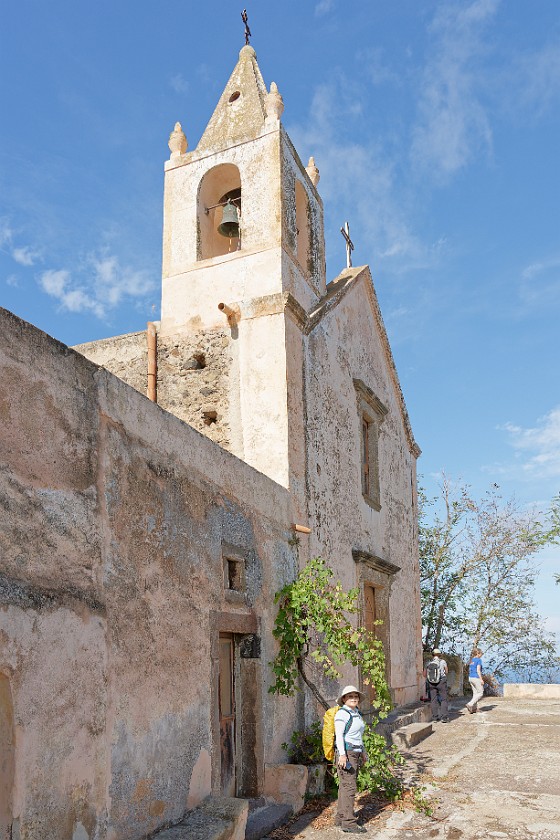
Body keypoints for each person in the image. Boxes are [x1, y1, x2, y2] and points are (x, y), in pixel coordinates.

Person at [334, 685, 368, 834]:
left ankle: (341, 817)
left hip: (355, 752)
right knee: (349, 787)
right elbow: (339, 736)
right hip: (346, 753)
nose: (353, 698)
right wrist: (342, 755)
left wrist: (363, 752)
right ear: (343, 699)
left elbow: (358, 735)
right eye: (350, 696)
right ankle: (348, 822)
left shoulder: (356, 713)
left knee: (345, 786)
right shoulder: (342, 714)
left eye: (355, 696)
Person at [425, 648, 449, 722]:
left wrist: (431, 678)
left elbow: (424, 674)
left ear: (432, 655)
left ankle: (435, 717)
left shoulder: (428, 663)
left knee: (433, 700)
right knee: (443, 699)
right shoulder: (443, 662)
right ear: (440, 655)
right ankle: (444, 717)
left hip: (431, 683)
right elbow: (447, 671)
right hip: (441, 682)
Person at [466, 648, 484, 714]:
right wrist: (481, 679)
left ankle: (474, 708)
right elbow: (478, 670)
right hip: (476, 678)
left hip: (470, 677)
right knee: (480, 693)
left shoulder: (471, 660)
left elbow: (469, 669)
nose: (481, 655)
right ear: (478, 653)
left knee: (475, 693)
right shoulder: (478, 660)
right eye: (481, 653)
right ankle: (470, 704)